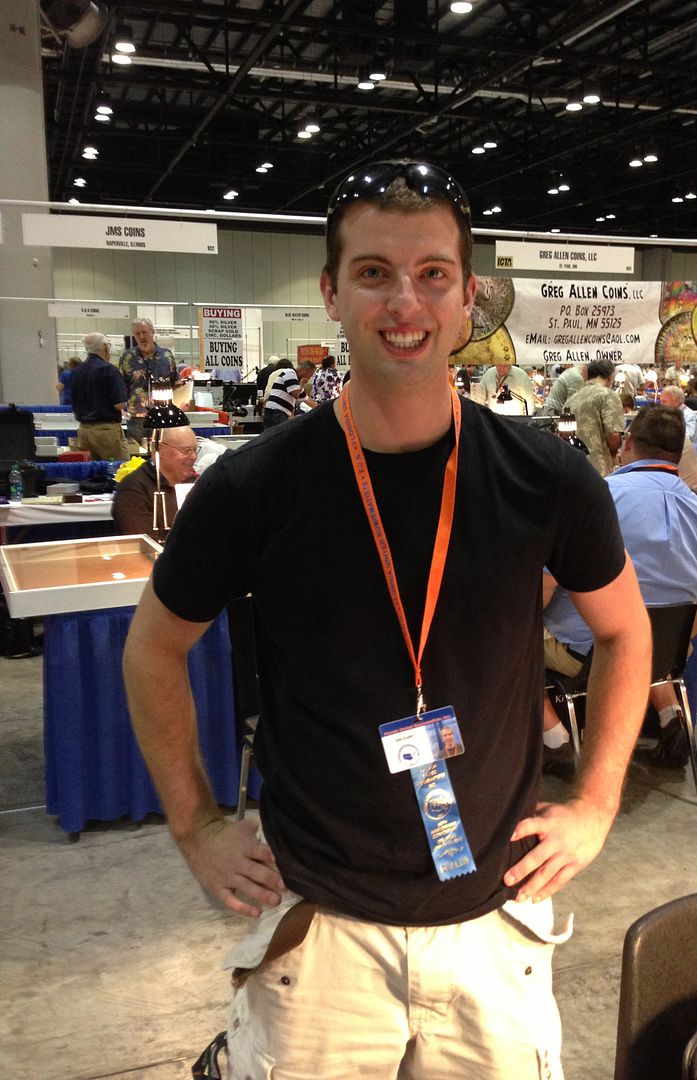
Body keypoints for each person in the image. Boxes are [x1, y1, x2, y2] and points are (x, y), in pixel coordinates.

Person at [122, 159, 651, 1080]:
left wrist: (598, 803)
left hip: (495, 921)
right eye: (374, 272)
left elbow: (626, 631)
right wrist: (195, 825)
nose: (405, 302)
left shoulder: (546, 478)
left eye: (432, 273)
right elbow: (153, 651)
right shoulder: (255, 487)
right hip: (321, 930)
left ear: (467, 296)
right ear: (332, 292)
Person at [543, 405, 697, 772]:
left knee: (509, 641)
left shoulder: (594, 498)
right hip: (662, 655)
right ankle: (671, 716)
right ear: (678, 453)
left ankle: (555, 739)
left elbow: (546, 584)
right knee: (642, 637)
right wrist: (671, 641)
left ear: (627, 442)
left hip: (585, 651)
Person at [113, 422, 198, 540]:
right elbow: (144, 544)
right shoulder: (133, 489)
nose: (193, 456)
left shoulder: (196, 483)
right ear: (161, 450)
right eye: (186, 450)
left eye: (195, 450)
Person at [70, 333, 130, 462]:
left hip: (83, 431)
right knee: (117, 469)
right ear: (105, 347)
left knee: (91, 471)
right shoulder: (109, 370)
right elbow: (119, 404)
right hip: (106, 432)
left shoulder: (77, 371)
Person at [119, 318, 179, 446]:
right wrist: (122, 409)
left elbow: (175, 383)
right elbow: (121, 386)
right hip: (136, 418)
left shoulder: (167, 356)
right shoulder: (127, 357)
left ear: (152, 332)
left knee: (164, 451)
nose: (142, 336)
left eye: (144, 332)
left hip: (163, 416)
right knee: (137, 454)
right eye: (137, 333)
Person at [567, 359, 625, 476]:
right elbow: (614, 436)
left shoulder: (571, 400)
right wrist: (614, 456)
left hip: (572, 467)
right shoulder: (608, 395)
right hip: (598, 469)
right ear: (611, 377)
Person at [260, 361, 301, 428]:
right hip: (279, 406)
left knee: (270, 430)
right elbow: (294, 394)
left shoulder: (272, 373)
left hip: (268, 402)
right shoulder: (289, 373)